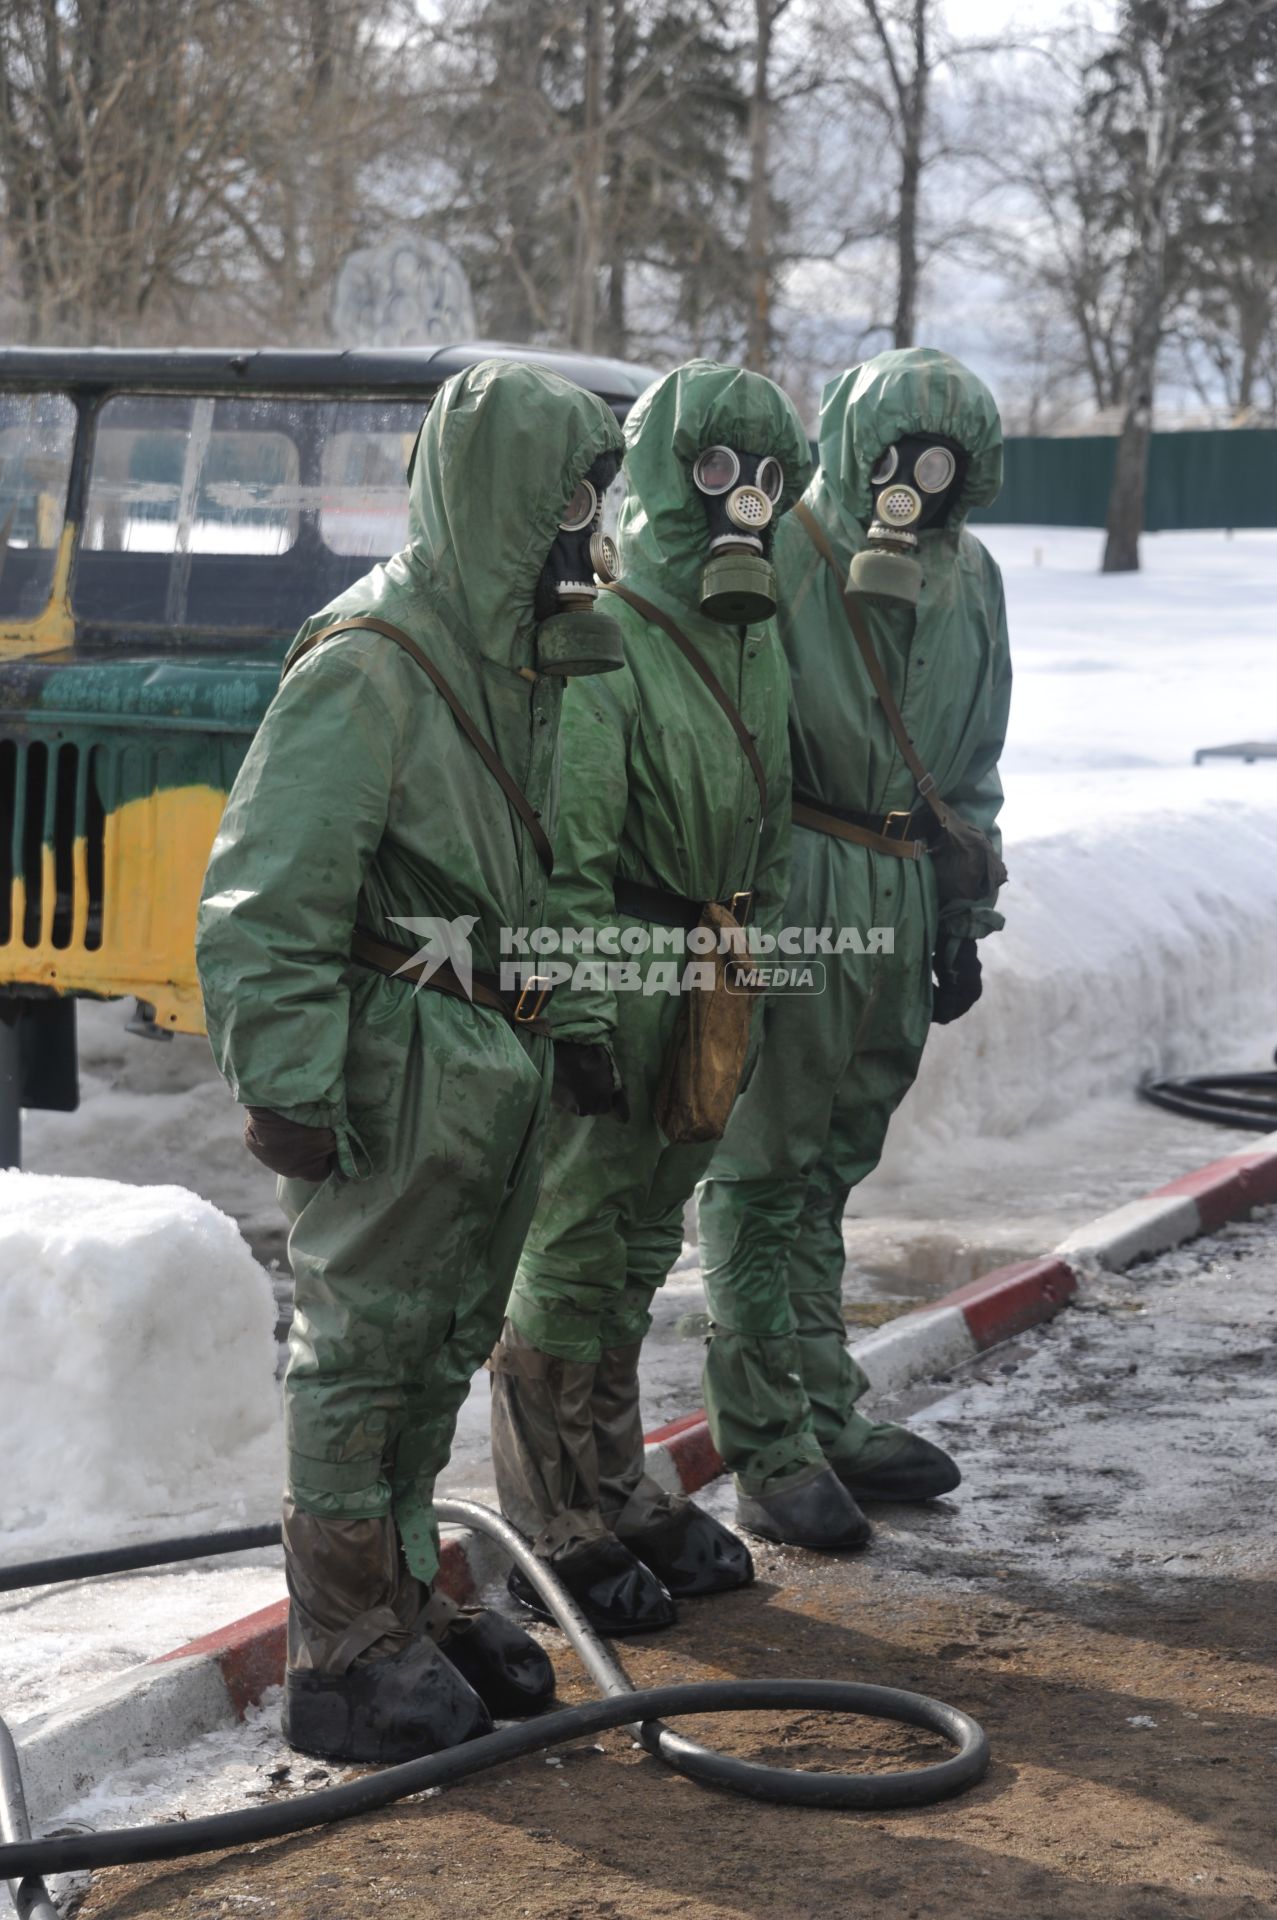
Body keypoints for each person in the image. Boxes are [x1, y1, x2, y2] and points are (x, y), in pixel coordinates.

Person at [196, 360, 626, 1761]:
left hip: (486, 1059)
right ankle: (339, 1650)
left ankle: (407, 1596)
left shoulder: (527, 659)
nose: (588, 523)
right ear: (507, 496)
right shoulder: (374, 662)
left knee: (440, 1340)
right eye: (569, 492)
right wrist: (288, 1088)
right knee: (361, 1350)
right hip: (395, 1063)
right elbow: (273, 893)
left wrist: (579, 1026)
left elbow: (551, 868)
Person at [489, 360, 811, 1634]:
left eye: (770, 479)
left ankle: (615, 1488)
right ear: (669, 478)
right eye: (718, 473)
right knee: (570, 1241)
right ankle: (546, 1516)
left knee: (634, 1242)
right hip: (624, 966)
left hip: (710, 969)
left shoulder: (754, 640)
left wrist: (759, 969)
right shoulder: (605, 637)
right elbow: (572, 847)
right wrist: (576, 1014)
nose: (745, 503)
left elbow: (770, 817)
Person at [698, 348, 1012, 1551]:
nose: (912, 488)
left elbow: (972, 764)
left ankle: (825, 1411)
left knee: (828, 1169)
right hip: (794, 875)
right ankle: (764, 1444)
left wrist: (955, 921)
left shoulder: (970, 579)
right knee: (759, 1167)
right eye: (894, 458)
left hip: (893, 883)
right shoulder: (779, 550)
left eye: (941, 467)